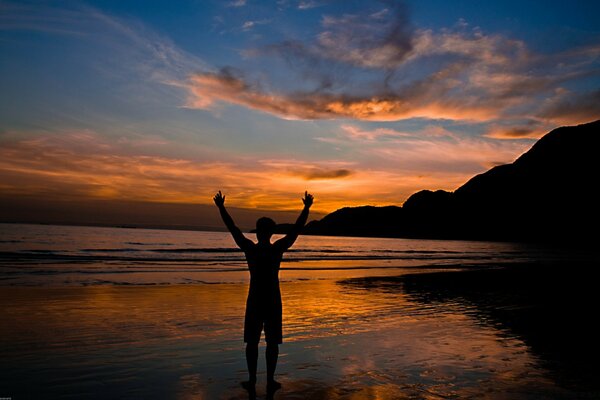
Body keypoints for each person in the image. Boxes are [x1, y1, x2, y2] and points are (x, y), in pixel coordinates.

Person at [213, 190, 314, 394]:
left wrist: (222, 208)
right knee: (271, 342)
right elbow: (296, 230)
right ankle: (269, 380)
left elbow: (233, 229)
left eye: (260, 229)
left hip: (256, 299)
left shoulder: (251, 248)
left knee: (253, 342)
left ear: (259, 232)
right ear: (271, 232)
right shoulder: (276, 249)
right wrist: (306, 209)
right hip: (272, 299)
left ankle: (253, 380)